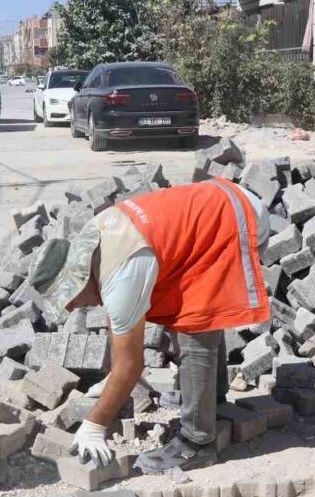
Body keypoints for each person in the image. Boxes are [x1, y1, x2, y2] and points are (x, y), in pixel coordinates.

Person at [29, 178, 271, 474]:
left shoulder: (122, 274)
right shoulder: (94, 241)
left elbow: (132, 365)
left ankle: (197, 442)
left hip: (235, 219)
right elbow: (118, 328)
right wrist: (111, 380)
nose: (70, 307)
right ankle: (212, 400)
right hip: (217, 204)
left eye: (68, 297)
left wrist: (95, 424)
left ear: (78, 279)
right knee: (191, 312)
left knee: (192, 324)